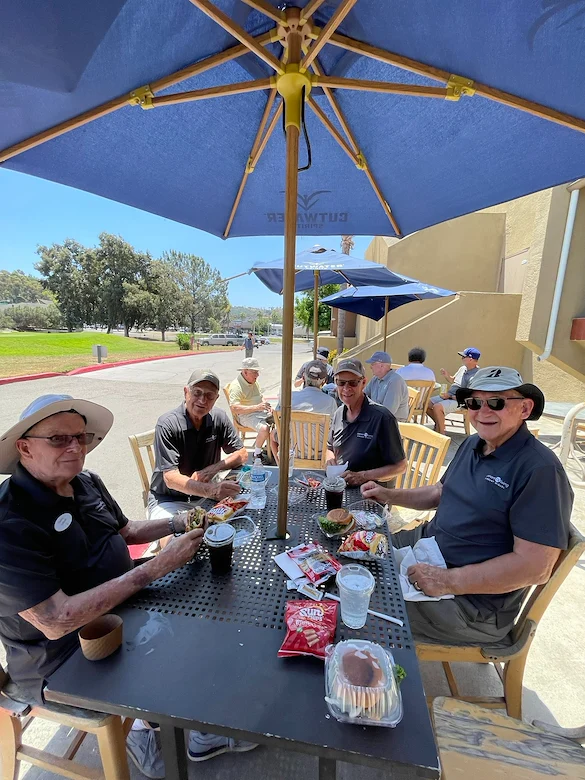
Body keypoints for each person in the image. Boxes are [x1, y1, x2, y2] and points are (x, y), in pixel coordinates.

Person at [0, 395, 254, 778]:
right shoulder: (9, 521)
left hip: (124, 603)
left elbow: (127, 531)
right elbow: (55, 620)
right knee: (182, 649)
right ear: (24, 448)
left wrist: (182, 521)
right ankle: (150, 729)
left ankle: (189, 719)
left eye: (80, 437)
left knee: (212, 610)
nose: (75, 447)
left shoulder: (85, 481)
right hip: (63, 656)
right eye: (58, 439)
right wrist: (153, 569)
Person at [361, 367, 573, 646]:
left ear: (525, 408)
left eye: (496, 402)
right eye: (474, 402)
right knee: (353, 558)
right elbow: (440, 492)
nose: (483, 411)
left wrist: (446, 580)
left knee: (359, 605)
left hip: (470, 604)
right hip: (427, 547)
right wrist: (388, 495)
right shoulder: (475, 443)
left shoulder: (540, 470)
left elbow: (535, 567)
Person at [148, 369, 247, 521]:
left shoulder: (218, 417)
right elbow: (170, 478)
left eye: (209, 395)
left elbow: (242, 454)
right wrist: (212, 490)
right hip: (170, 500)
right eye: (197, 392)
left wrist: (213, 469)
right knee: (175, 535)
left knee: (239, 520)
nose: (202, 400)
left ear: (216, 398)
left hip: (205, 498)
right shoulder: (167, 424)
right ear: (186, 392)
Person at [326, 358, 406, 487]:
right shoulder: (339, 413)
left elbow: (400, 466)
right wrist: (330, 460)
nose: (346, 388)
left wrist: (363, 476)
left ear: (363, 383)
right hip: (342, 485)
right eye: (341, 383)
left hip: (373, 489)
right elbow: (330, 448)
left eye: (352, 383)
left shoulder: (382, 418)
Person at [270, 360, 338, 459]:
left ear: (303, 377)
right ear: (324, 381)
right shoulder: (330, 402)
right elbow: (334, 427)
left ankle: (281, 465)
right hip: (320, 454)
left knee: (273, 434)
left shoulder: (289, 397)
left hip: (293, 450)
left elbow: (279, 421)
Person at [427, 347, 480, 434]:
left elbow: (468, 397)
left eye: (463, 357)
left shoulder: (475, 376)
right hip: (450, 396)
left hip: (461, 401)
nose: (461, 358)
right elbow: (454, 380)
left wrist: (450, 396)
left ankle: (441, 433)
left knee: (437, 407)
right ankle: (439, 424)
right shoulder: (462, 368)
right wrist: (447, 375)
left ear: (470, 359)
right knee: (426, 403)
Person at [228, 357, 271, 459]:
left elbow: (260, 396)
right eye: (254, 372)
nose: (257, 375)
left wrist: (266, 405)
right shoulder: (236, 386)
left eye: (257, 372)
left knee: (279, 420)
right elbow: (234, 408)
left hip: (259, 412)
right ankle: (257, 454)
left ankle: (270, 448)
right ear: (245, 372)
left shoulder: (254, 382)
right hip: (245, 415)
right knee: (264, 428)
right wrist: (256, 407)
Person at [364, 351, 409, 421]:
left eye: (372, 364)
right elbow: (362, 396)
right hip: (377, 418)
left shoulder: (395, 382)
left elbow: (387, 412)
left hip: (393, 422)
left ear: (382, 366)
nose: (370, 367)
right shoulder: (375, 379)